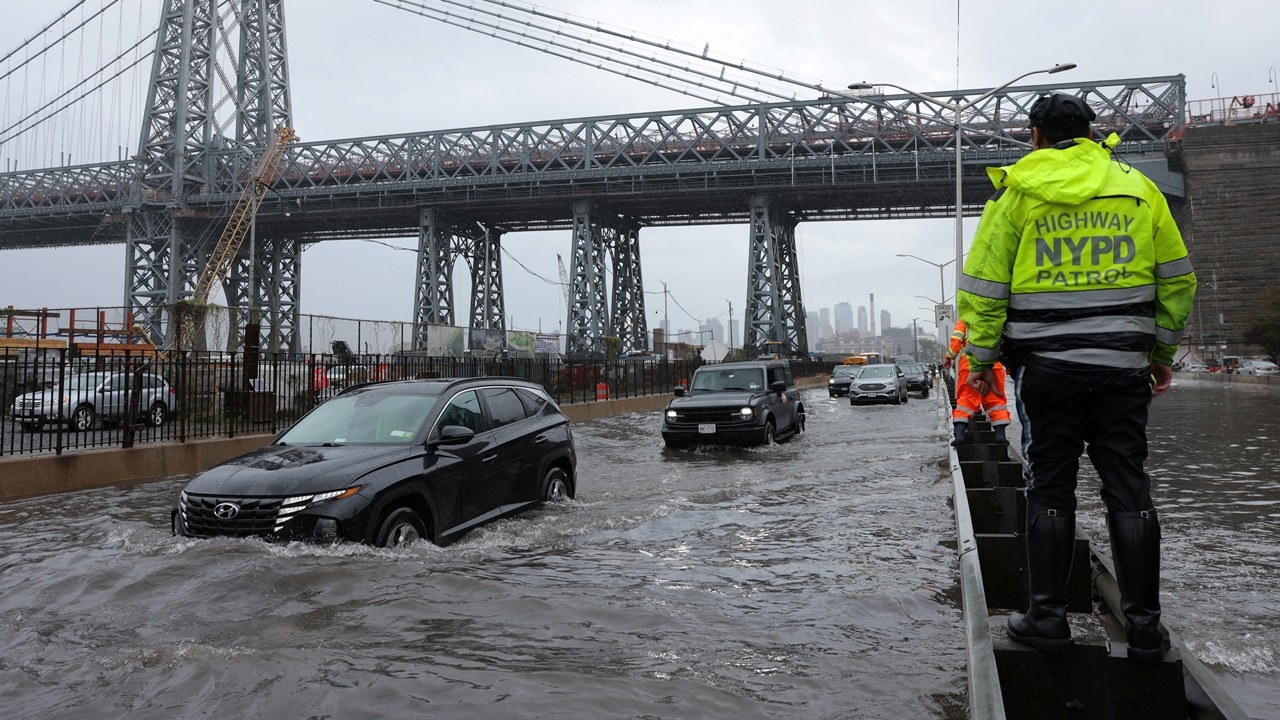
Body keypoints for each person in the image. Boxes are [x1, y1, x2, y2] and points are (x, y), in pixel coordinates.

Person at [957, 93, 1196, 660]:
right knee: (1128, 486)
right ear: (1093, 134)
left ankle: (1047, 619)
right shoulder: (1139, 190)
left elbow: (984, 292)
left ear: (1034, 135)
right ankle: (1144, 628)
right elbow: (1178, 281)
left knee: (1050, 486)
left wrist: (983, 364)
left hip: (1047, 372)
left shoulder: (1016, 194)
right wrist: (1161, 354)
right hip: (1122, 370)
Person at [942, 317, 1010, 445]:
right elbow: (1008, 341)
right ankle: (1000, 436)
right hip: (993, 365)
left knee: (966, 400)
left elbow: (956, 341)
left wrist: (949, 357)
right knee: (996, 401)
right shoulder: (997, 317)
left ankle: (960, 435)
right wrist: (1010, 364)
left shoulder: (965, 320)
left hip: (970, 366)